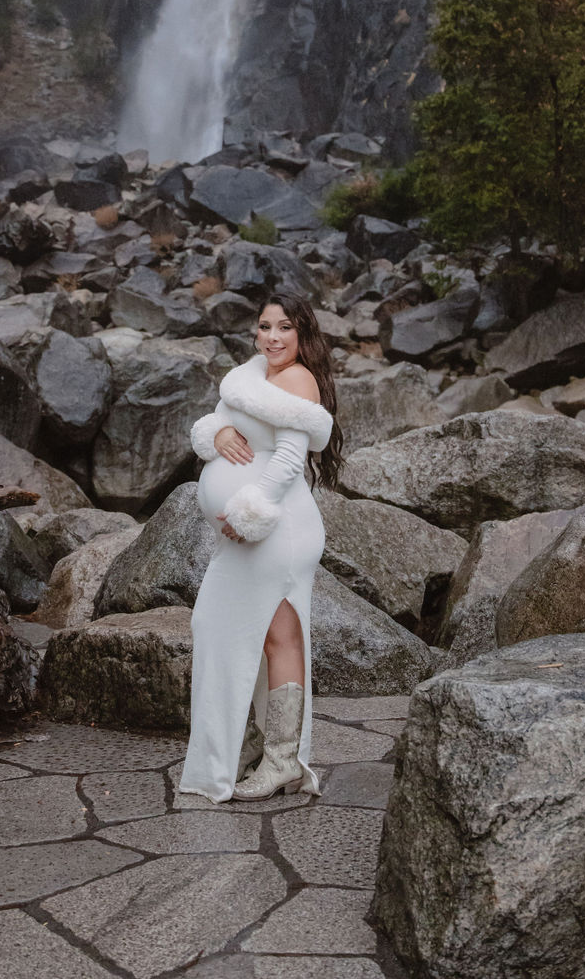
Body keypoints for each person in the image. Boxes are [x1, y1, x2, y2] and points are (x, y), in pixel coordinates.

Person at [179, 290, 344, 803]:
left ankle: (281, 761)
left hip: (279, 528)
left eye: (285, 328)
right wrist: (220, 429)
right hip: (251, 537)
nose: (272, 337)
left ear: (303, 334)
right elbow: (220, 422)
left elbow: (290, 458)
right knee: (218, 625)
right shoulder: (253, 374)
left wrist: (249, 514)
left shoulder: (297, 379)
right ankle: (250, 745)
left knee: (279, 639)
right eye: (265, 326)